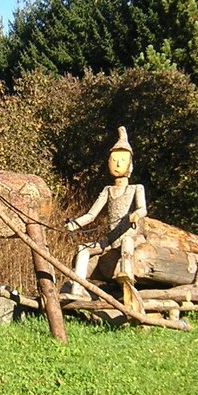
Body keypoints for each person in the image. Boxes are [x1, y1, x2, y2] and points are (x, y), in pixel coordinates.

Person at [65, 127, 147, 311]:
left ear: (130, 164)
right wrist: (74, 224)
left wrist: (135, 215)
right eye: (114, 160)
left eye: (122, 161)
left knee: (126, 241)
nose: (117, 164)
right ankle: (77, 288)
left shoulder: (136, 189)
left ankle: (126, 278)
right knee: (83, 249)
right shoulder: (107, 191)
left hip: (131, 237)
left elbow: (143, 209)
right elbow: (91, 215)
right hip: (110, 240)